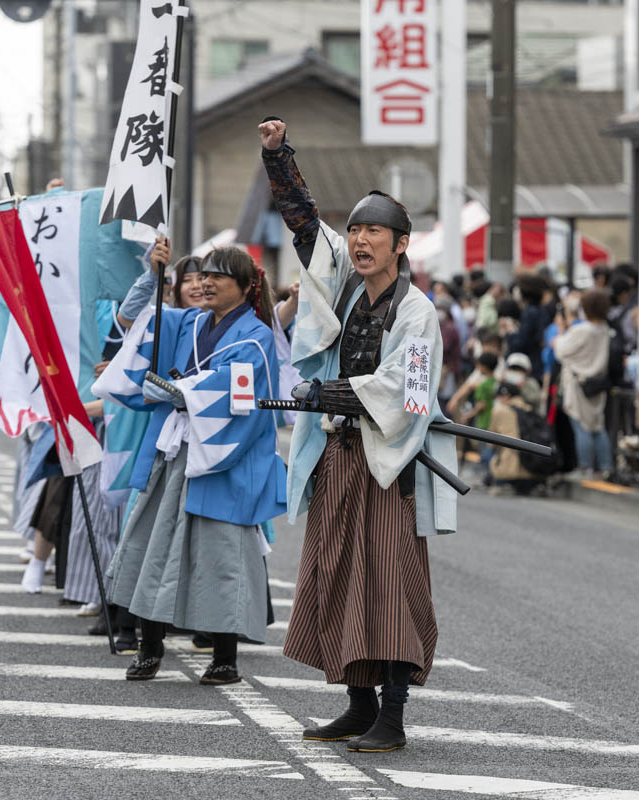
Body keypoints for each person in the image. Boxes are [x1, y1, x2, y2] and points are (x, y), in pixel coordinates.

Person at [261, 117, 458, 754]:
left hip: (388, 466)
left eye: (374, 231)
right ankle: (357, 706)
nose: (360, 239)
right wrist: (278, 157)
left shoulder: (417, 310)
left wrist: (336, 393)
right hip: (341, 457)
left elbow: (411, 391)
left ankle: (393, 719)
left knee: (391, 586)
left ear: (402, 245)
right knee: (341, 575)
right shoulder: (347, 293)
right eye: (355, 231)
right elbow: (303, 228)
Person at [118, 246, 284, 685]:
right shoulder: (188, 322)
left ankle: (224, 656)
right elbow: (133, 322)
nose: (206, 282)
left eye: (219, 277)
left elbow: (232, 396)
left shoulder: (256, 337)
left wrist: (177, 391)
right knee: (157, 547)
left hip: (222, 458)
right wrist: (152, 276)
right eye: (204, 275)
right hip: (178, 453)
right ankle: (149, 646)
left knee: (220, 555)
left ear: (247, 287)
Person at [554, 289, 613, 478]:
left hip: (578, 383)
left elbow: (561, 350)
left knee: (581, 425)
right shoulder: (605, 329)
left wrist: (560, 333)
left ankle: (584, 467)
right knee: (597, 425)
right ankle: (605, 466)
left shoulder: (582, 330)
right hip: (597, 383)